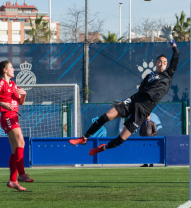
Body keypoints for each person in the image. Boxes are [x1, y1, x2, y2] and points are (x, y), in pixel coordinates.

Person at [70, 26, 179, 155]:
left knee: (121, 138)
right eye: (160, 61)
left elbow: (176, 54)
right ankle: (84, 138)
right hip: (133, 101)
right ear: (155, 63)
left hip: (143, 110)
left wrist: (170, 39)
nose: (162, 64)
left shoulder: (168, 75)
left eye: (164, 62)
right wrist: (124, 101)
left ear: (167, 65)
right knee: (105, 117)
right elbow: (141, 91)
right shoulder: (149, 76)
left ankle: (102, 148)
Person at [0, 61, 33, 191]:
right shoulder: (1, 83)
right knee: (21, 142)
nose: (14, 69)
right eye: (11, 67)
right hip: (7, 117)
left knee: (16, 149)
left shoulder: (12, 84)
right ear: (5, 70)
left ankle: (13, 180)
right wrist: (2, 103)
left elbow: (20, 102)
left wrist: (23, 94)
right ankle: (22, 174)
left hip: (14, 117)